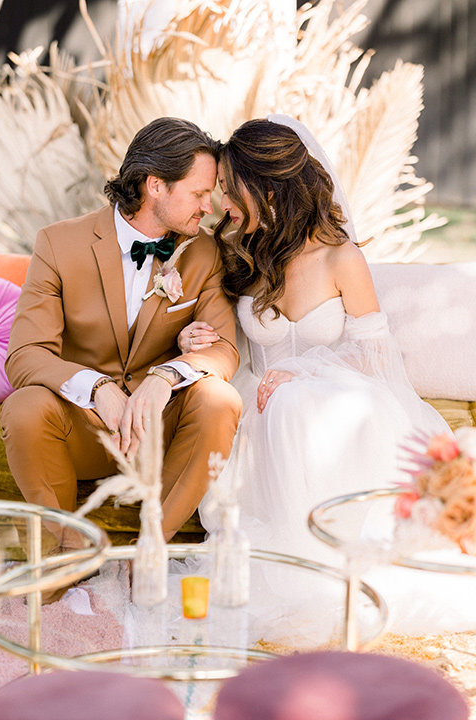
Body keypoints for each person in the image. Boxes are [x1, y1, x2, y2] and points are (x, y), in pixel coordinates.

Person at [179, 116, 476, 638]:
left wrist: (300, 369)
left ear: (265, 187)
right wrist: (193, 339)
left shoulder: (341, 257)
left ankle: (323, 564)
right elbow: (228, 338)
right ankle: (296, 565)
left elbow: (374, 357)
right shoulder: (239, 255)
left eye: (229, 188)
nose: (221, 201)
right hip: (261, 404)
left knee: (297, 404)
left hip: (342, 396)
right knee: (280, 406)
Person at [1, 116, 242, 548]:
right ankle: (68, 553)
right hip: (86, 428)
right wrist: (97, 389)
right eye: (200, 193)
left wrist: (164, 377)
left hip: (161, 429)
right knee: (25, 407)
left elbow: (223, 348)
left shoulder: (204, 250)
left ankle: (150, 549)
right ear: (155, 185)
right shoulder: (58, 244)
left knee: (219, 399)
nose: (210, 207)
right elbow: (24, 356)